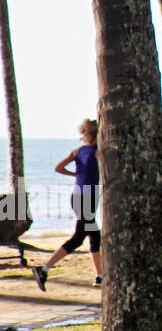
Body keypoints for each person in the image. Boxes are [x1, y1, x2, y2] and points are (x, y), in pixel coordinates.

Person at [32, 119, 102, 291]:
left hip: (78, 196)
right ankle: (44, 269)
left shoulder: (77, 151)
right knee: (79, 237)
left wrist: (76, 174)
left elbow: (58, 168)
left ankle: (100, 276)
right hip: (87, 197)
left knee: (94, 235)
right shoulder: (99, 152)